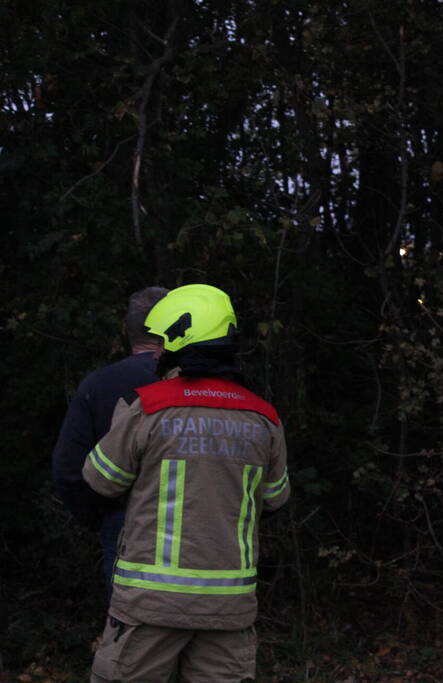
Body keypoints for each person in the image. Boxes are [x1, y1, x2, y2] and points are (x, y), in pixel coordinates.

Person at [82, 283, 290, 682]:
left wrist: (120, 425)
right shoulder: (264, 417)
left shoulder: (150, 407)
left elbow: (100, 480)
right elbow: (276, 498)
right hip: (228, 610)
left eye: (162, 342)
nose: (157, 352)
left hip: (149, 606)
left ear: (180, 342)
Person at [52, 286, 169, 599]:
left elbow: (67, 470)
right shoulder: (196, 385)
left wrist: (102, 517)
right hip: (200, 526)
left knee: (129, 622)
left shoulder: (99, 384)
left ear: (128, 330)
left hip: (123, 523)